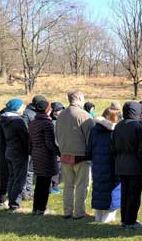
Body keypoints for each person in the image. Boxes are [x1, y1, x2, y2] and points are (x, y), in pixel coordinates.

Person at [56, 91, 94, 220]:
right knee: (82, 185)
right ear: (78, 98)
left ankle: (67, 211)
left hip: (64, 154)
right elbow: (91, 138)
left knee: (68, 185)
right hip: (81, 156)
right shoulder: (84, 115)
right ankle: (79, 212)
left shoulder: (60, 115)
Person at [111, 101, 142, 230]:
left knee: (125, 193)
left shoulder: (118, 126)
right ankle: (131, 221)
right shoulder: (138, 127)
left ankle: (125, 220)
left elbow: (113, 148)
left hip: (121, 164)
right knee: (134, 195)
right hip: (135, 166)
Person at [87, 108, 121, 223]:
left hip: (97, 164)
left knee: (99, 189)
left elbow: (89, 148)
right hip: (111, 164)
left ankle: (98, 217)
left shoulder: (94, 129)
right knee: (112, 190)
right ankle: (107, 218)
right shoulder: (115, 131)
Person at [29, 99, 60, 215]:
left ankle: (35, 208)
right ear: (47, 109)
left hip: (36, 154)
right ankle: (41, 208)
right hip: (46, 156)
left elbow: (30, 141)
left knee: (39, 183)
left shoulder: (33, 121)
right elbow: (50, 143)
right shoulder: (47, 123)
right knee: (45, 184)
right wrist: (58, 152)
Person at [0, 98, 29, 211]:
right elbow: (25, 138)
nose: (23, 108)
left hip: (9, 151)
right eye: (22, 106)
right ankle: (14, 204)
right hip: (19, 152)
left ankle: (11, 201)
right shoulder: (18, 121)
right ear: (16, 108)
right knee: (19, 179)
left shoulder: (4, 119)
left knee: (12, 177)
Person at [22, 95, 46, 201]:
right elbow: (24, 130)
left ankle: (29, 191)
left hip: (36, 147)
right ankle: (24, 192)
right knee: (26, 170)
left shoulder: (38, 112)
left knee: (31, 170)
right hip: (28, 146)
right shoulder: (27, 113)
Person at [49, 102, 65, 195]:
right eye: (59, 110)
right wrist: (60, 149)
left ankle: (55, 186)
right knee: (55, 169)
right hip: (56, 151)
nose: (61, 111)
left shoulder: (60, 120)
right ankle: (53, 188)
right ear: (54, 111)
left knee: (58, 169)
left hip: (59, 149)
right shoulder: (53, 123)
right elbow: (55, 139)